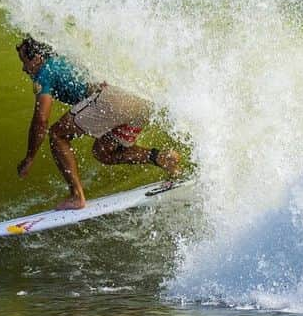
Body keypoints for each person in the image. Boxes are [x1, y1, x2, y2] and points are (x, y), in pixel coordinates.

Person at [15, 35, 181, 210]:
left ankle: (77, 196)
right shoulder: (63, 58)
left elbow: (41, 120)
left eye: (25, 61)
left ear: (38, 58)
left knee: (57, 134)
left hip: (111, 100)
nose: (24, 69)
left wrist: (29, 158)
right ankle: (162, 158)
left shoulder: (44, 72)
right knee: (104, 152)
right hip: (139, 102)